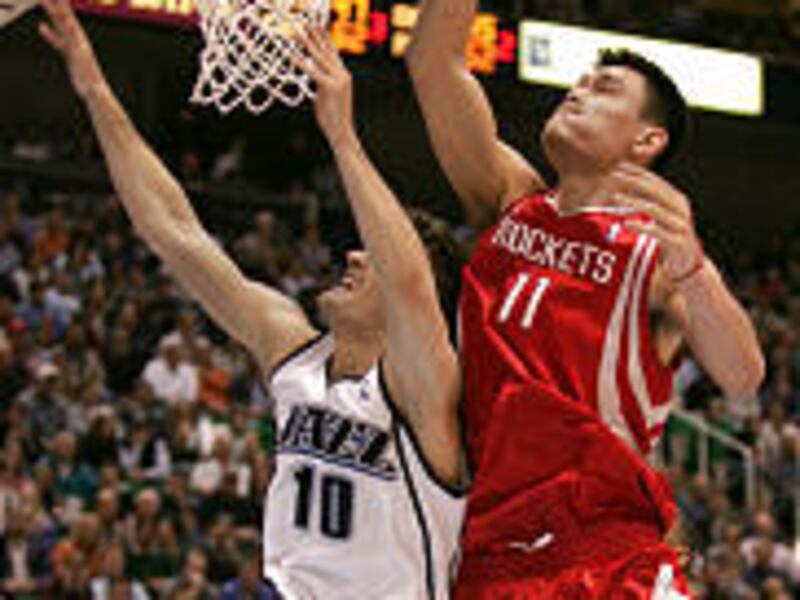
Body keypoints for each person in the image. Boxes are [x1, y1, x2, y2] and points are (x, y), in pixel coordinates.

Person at [39, 1, 465, 598]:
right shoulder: (294, 352)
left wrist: (343, 137)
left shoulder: (425, 391)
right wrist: (93, 86)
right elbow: (173, 230)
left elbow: (412, 287)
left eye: (373, 251)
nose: (353, 255)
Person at [406, 0, 765, 597]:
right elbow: (433, 61)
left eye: (604, 89)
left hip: (605, 552)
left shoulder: (656, 253)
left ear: (647, 139)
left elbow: (743, 375)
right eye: (578, 82)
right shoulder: (510, 198)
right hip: (488, 553)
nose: (577, 92)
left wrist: (694, 269)